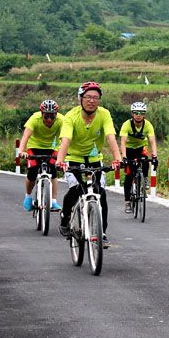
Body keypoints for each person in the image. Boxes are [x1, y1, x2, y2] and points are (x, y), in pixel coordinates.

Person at [55, 81, 121, 245]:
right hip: (73, 159)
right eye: (88, 97)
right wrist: (60, 161)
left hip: (94, 160)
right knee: (75, 189)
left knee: (101, 193)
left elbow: (111, 137)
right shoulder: (71, 116)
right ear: (80, 98)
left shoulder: (104, 114)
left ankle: (102, 233)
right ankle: (65, 217)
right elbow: (65, 140)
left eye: (95, 98)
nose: (92, 101)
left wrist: (117, 159)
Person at [18, 100, 64, 211]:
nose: (49, 119)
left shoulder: (61, 120)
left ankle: (53, 201)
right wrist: (21, 151)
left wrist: (64, 153)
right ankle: (28, 196)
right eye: (46, 116)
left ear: (56, 114)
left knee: (53, 170)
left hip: (52, 148)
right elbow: (25, 136)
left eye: (52, 116)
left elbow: (65, 138)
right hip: (34, 147)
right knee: (32, 171)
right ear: (41, 113)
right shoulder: (35, 118)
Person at [119, 102, 159, 213]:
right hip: (129, 149)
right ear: (132, 114)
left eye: (141, 113)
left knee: (145, 160)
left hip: (141, 147)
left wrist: (155, 156)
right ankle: (127, 202)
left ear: (144, 114)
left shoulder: (148, 125)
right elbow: (123, 142)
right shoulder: (126, 125)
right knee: (129, 176)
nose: (138, 115)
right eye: (136, 113)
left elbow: (152, 141)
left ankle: (145, 179)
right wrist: (124, 157)